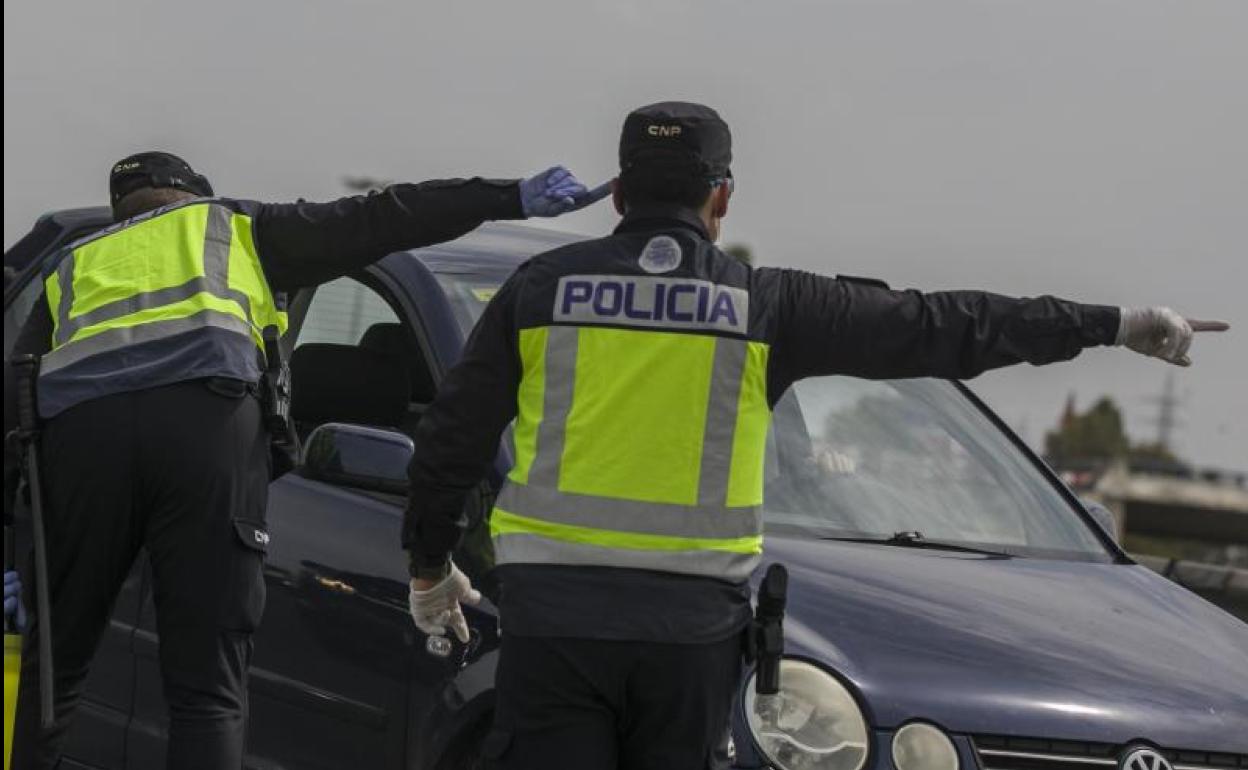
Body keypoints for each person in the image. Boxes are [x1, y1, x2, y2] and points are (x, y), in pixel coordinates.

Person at [402, 102, 1228, 768]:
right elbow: (945, 325)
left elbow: (452, 440)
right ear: (721, 198)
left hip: (558, 628)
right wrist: (1112, 324)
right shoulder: (769, 307)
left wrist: (431, 567)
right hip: (690, 641)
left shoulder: (538, 289)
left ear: (619, 194)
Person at [1, 151, 608, 769]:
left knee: (54, 672)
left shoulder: (76, 264)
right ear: (199, 195)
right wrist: (506, 196)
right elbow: (385, 217)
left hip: (85, 445)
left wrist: (14, 550)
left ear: (120, 211)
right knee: (207, 689)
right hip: (204, 434)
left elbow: (15, 402)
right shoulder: (236, 226)